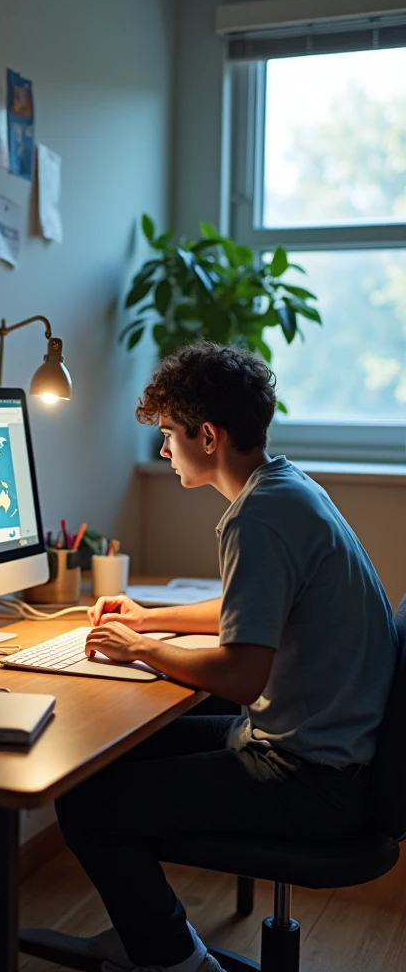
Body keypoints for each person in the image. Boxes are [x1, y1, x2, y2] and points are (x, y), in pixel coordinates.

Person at [48, 342, 398, 972]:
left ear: (206, 436)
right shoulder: (287, 488)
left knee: (85, 804)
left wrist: (141, 648)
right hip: (330, 756)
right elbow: (251, 607)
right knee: (105, 758)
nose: (162, 450)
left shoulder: (256, 517)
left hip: (310, 780)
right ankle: (157, 940)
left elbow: (241, 675)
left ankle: (180, 962)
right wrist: (149, 619)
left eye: (166, 435)